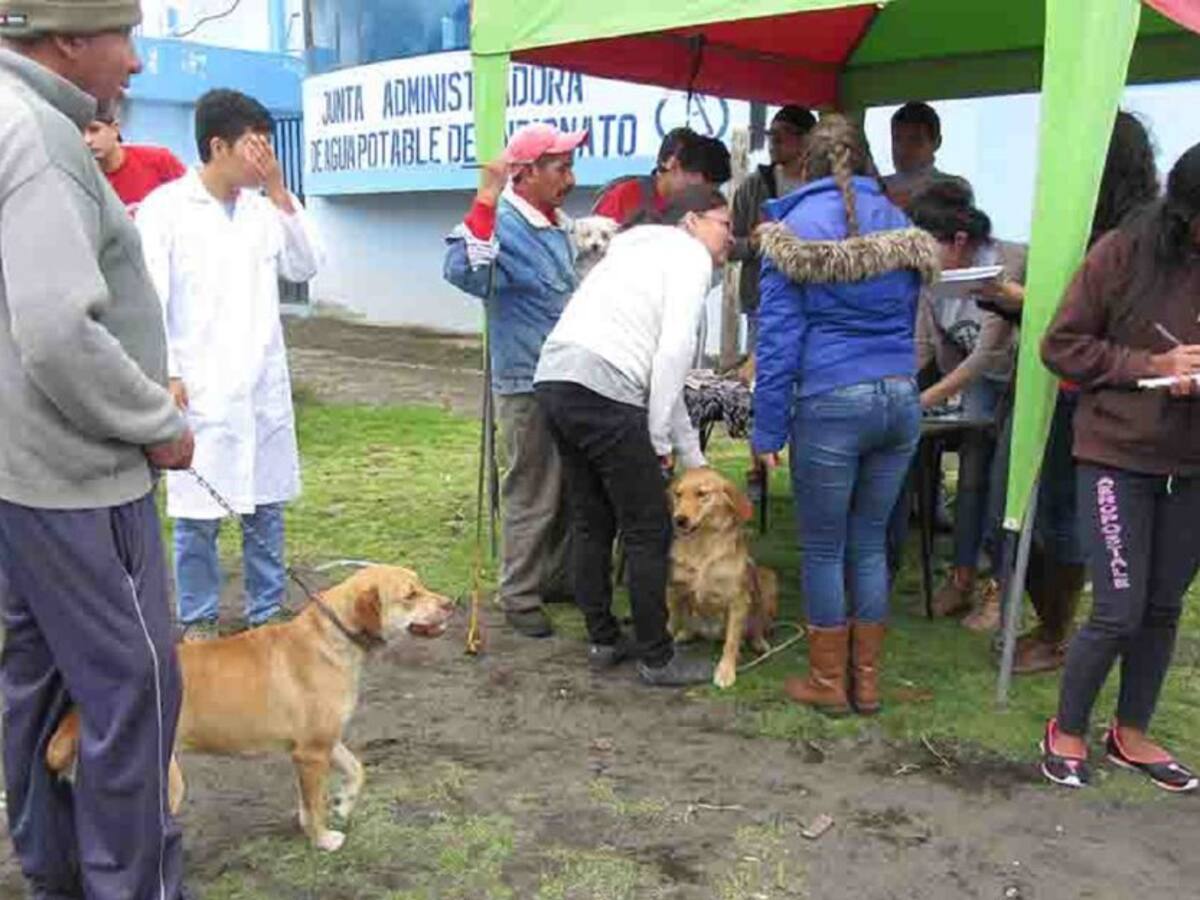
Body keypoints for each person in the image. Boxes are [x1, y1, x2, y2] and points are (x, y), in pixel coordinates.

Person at [0, 3, 195, 897]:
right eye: (126, 37)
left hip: (21, 472)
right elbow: (56, 332)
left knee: (37, 683)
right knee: (135, 689)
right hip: (77, 478)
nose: (138, 64)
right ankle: (130, 883)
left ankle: (57, 872)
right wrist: (156, 422)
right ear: (71, 38)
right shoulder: (38, 134)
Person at [752, 115, 939, 716]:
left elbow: (778, 344)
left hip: (832, 401)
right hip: (900, 397)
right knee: (869, 543)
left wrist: (767, 430)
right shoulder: (902, 225)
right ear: (864, 162)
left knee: (825, 548)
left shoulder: (789, 230)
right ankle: (868, 683)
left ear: (805, 164)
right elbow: (910, 317)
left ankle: (829, 684)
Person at [1038, 142, 1200, 793]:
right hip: (1117, 454)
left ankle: (1130, 733)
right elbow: (1062, 346)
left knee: (1163, 607)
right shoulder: (1121, 254)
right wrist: (1150, 368)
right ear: (1185, 212)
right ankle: (1066, 729)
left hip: (1190, 464)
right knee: (1119, 608)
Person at [137, 88, 322, 641]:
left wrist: (280, 190)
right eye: (255, 145)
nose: (264, 156)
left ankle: (266, 613)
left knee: (266, 504)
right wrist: (166, 373)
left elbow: (307, 262)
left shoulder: (265, 211)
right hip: (199, 385)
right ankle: (198, 619)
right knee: (197, 514)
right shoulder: (166, 210)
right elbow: (149, 299)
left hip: (260, 382)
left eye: (269, 145)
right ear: (219, 146)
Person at [534, 186, 732, 685]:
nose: (732, 236)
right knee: (648, 528)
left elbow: (665, 382)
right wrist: (661, 444)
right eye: (724, 223)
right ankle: (657, 657)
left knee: (591, 518)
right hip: (604, 385)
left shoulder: (633, 254)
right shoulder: (688, 259)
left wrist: (693, 457)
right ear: (691, 222)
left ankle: (603, 638)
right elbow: (670, 358)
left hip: (556, 376)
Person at [987, 111, 1159, 674]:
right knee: (1005, 509)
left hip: (1084, 393)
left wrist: (1028, 302)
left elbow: (1102, 321)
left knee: (1062, 519)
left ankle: (1056, 630)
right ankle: (1050, 621)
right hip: (1047, 382)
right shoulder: (1083, 221)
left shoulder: (1135, 235)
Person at [444, 122, 586, 638]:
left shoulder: (555, 223)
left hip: (565, 375)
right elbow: (461, 269)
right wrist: (485, 195)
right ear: (525, 175)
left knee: (569, 486)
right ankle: (519, 593)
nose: (570, 178)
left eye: (570, 166)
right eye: (560, 168)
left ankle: (557, 577)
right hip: (527, 382)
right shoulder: (504, 220)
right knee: (532, 487)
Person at [908, 182, 1022, 630]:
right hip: (977, 384)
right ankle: (960, 580)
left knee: (1002, 483)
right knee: (972, 475)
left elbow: (990, 354)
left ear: (957, 241)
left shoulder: (1006, 263)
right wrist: (895, 388)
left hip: (1017, 379)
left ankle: (1000, 588)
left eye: (924, 243)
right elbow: (921, 347)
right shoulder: (929, 280)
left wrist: (926, 398)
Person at [731, 105, 816, 351]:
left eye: (786, 132)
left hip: (814, 302)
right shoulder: (753, 186)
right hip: (764, 304)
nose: (774, 140)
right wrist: (755, 243)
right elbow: (729, 245)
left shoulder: (823, 186)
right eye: (771, 133)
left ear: (807, 140)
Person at [593, 126, 732, 225]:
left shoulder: (705, 210)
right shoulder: (625, 196)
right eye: (705, 190)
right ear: (676, 166)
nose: (707, 199)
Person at [84, 96, 185, 211]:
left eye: (94, 130)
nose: (87, 140)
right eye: (81, 132)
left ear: (115, 129)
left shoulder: (159, 160)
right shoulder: (83, 177)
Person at [884, 101, 973, 210]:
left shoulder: (955, 188)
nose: (903, 148)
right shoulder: (875, 189)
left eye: (915, 140)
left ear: (936, 142)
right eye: (897, 139)